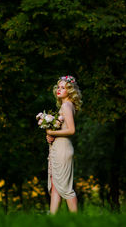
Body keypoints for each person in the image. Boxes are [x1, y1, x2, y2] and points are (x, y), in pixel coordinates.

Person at [46, 75, 82, 214]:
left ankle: (75, 219)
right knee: (56, 186)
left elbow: (71, 130)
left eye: (63, 88)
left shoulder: (67, 106)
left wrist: (52, 133)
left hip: (63, 149)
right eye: (58, 87)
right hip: (58, 147)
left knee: (66, 188)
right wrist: (51, 135)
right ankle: (52, 219)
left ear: (70, 91)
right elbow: (63, 129)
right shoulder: (65, 105)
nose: (59, 90)